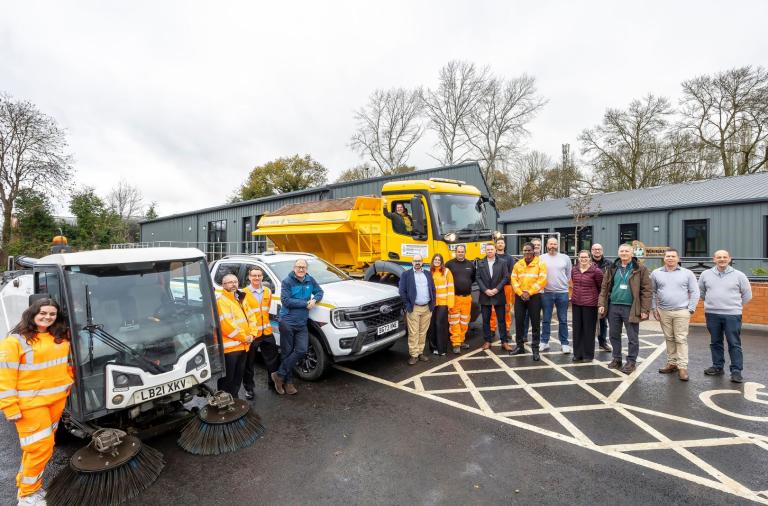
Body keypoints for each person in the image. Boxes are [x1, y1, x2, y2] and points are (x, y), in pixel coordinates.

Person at [0, 299, 72, 505]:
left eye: (52, 314)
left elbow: (65, 363)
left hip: (56, 401)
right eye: (43, 313)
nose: (47, 317)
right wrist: (9, 406)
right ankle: (27, 495)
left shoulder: (58, 337)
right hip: (31, 404)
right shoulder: (15, 341)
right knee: (41, 447)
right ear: (32, 313)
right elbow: (4, 376)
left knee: (35, 448)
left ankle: (25, 484)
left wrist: (69, 378)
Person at [698, 250, 753, 383]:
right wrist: (713, 303)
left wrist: (734, 306)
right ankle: (717, 367)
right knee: (715, 342)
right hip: (712, 314)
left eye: (724, 257)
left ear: (729, 259)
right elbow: (702, 292)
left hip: (732, 315)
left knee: (734, 343)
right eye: (719, 257)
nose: (722, 259)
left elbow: (747, 295)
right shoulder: (705, 274)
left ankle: (736, 371)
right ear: (714, 259)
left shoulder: (739, 275)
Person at [598, 244, 651, 374]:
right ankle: (617, 359)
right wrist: (601, 304)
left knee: (632, 337)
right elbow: (604, 287)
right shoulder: (612, 268)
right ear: (618, 253)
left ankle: (631, 361)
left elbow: (647, 290)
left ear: (632, 254)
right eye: (622, 251)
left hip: (631, 307)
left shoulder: (640, 269)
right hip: (614, 306)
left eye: (627, 251)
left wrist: (645, 310)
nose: (624, 253)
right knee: (614, 335)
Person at [274, 258, 324, 395]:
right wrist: (305, 303)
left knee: (301, 350)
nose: (301, 269)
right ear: (294, 268)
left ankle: (279, 374)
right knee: (287, 352)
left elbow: (320, 292)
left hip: (301, 323)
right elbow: (286, 301)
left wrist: (314, 299)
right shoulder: (287, 281)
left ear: (306, 269)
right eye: (298, 267)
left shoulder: (310, 280)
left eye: (303, 267)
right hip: (287, 322)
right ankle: (288, 383)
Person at [651, 248, 700, 382]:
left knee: (681, 339)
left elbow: (695, 292)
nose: (670, 258)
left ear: (678, 259)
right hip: (663, 311)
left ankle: (682, 367)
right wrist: (654, 308)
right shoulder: (656, 273)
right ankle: (672, 363)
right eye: (668, 256)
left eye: (673, 256)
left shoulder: (687, 273)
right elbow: (652, 292)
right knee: (669, 338)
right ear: (664, 258)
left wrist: (690, 309)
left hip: (681, 311)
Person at [242, 266, 281, 399]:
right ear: (249, 277)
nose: (256, 278)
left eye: (259, 275)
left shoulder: (267, 291)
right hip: (252, 334)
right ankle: (249, 388)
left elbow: (266, 309)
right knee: (249, 363)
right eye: (254, 275)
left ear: (262, 277)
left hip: (267, 332)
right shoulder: (243, 293)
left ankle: (273, 383)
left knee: (272, 360)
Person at [216, 274, 256, 398]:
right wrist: (245, 337)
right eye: (229, 282)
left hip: (243, 346)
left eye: (235, 282)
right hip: (230, 349)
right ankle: (222, 402)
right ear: (223, 285)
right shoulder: (221, 301)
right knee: (227, 378)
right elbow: (227, 326)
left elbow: (251, 317)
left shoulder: (241, 298)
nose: (233, 284)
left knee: (238, 377)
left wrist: (253, 334)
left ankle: (234, 400)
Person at [510, 243, 547, 360]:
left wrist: (529, 292)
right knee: (519, 322)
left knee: (535, 324)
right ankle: (519, 347)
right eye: (525, 250)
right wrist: (521, 293)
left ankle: (535, 350)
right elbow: (513, 280)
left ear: (533, 251)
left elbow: (542, 280)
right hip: (520, 297)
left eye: (529, 250)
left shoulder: (540, 264)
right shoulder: (518, 264)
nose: (527, 252)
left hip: (534, 297)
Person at [399, 254, 436, 365]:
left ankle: (420, 353)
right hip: (414, 308)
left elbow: (433, 289)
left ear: (422, 262)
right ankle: (414, 355)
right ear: (412, 262)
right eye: (415, 261)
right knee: (413, 332)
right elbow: (402, 291)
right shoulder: (406, 274)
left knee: (423, 332)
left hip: (427, 308)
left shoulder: (428, 274)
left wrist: (432, 304)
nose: (417, 262)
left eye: (419, 260)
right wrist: (407, 305)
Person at [540, 237, 572, 353]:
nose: (552, 246)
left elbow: (568, 274)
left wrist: (564, 286)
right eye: (550, 244)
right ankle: (544, 342)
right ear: (547, 245)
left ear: (557, 245)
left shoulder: (565, 258)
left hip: (562, 293)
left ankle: (564, 344)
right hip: (546, 293)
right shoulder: (541, 258)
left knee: (563, 319)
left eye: (554, 244)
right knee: (546, 319)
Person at [477, 242, 511, 350]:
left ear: (495, 250)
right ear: (485, 251)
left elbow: (506, 277)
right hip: (485, 295)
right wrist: (485, 290)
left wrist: (497, 289)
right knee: (486, 320)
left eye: (492, 249)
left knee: (501, 320)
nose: (490, 251)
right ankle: (487, 341)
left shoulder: (502, 262)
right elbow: (478, 278)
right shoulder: (480, 262)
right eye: (488, 250)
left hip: (499, 294)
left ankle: (504, 342)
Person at [571, 250, 604, 362]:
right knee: (577, 330)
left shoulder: (596, 271)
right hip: (576, 303)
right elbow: (573, 284)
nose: (583, 259)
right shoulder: (574, 270)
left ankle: (588, 355)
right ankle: (577, 354)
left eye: (586, 257)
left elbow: (601, 288)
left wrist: (600, 303)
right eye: (581, 257)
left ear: (590, 258)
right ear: (578, 258)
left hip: (590, 304)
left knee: (588, 330)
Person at [446, 244, 475, 354]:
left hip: (467, 298)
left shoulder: (470, 264)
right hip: (454, 298)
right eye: (458, 251)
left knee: (464, 321)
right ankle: (456, 343)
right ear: (455, 252)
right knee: (454, 321)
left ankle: (462, 340)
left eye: (462, 251)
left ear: (465, 252)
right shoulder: (449, 264)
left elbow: (472, 279)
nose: (460, 253)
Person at [428, 253, 454, 356]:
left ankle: (442, 349)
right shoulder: (429, 272)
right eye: (435, 259)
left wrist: (450, 304)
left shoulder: (447, 271)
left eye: (439, 260)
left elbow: (451, 287)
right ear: (433, 261)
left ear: (442, 261)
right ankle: (433, 348)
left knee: (440, 324)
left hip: (443, 302)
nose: (437, 261)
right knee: (432, 325)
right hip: (432, 303)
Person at [590, 243, 612, 352]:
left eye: (599, 249)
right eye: (595, 249)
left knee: (603, 321)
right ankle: (588, 343)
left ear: (602, 251)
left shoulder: (609, 264)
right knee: (589, 321)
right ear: (591, 251)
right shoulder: (587, 262)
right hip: (590, 296)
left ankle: (602, 342)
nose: (597, 251)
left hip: (604, 297)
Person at [490, 238, 514, 336]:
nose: (500, 244)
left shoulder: (509, 258)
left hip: (506, 287)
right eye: (498, 243)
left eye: (502, 243)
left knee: (507, 309)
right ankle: (492, 329)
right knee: (492, 309)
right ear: (495, 245)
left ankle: (507, 329)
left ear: (504, 245)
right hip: (494, 287)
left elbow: (511, 272)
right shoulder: (491, 257)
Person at [521, 237, 543, 341]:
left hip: (542, 293)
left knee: (539, 318)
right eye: (535, 245)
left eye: (539, 245)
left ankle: (540, 339)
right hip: (526, 294)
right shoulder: (523, 261)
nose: (537, 247)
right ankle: (524, 335)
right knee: (525, 316)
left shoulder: (543, 259)